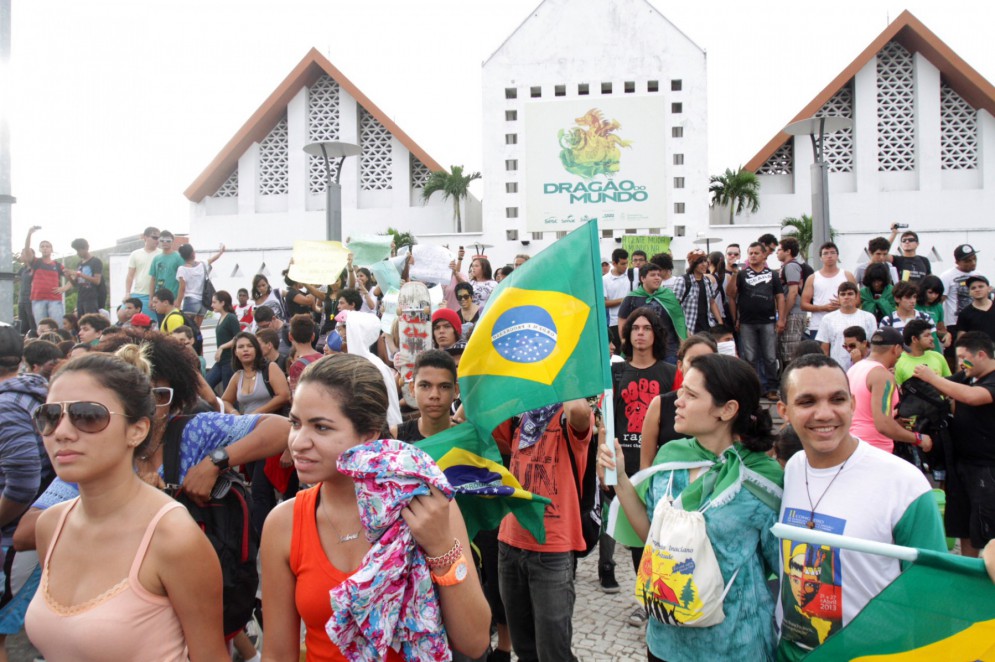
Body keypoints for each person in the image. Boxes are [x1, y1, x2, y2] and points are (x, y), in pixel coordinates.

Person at [260, 353, 490, 661]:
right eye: (295, 423)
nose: (299, 442)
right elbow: (277, 654)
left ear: (368, 434)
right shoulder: (284, 522)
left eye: (321, 427)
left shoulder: (426, 507)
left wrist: (440, 547)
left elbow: (474, 642)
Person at [24, 352, 229, 660]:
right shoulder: (51, 525)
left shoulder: (173, 537)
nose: (62, 432)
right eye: (50, 416)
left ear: (137, 430)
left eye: (88, 416)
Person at [600, 353, 783, 661]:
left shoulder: (762, 480)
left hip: (735, 644)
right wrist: (619, 477)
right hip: (665, 639)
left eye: (691, 395)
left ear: (727, 409)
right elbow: (651, 537)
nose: (678, 401)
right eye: (681, 390)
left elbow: (781, 568)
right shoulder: (671, 456)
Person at [775, 354, 946, 660]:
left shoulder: (904, 483)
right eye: (807, 402)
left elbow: (933, 596)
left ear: (853, 404)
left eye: (837, 399)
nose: (824, 413)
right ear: (783, 411)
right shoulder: (793, 469)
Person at [495, 398, 593, 662]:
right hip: (510, 542)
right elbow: (477, 414)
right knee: (523, 647)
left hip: (553, 550)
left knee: (554, 650)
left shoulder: (568, 414)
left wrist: (559, 372)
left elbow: (580, 413)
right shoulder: (518, 411)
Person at [603, 308, 677, 613]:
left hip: (661, 465)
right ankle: (645, 596)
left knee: (661, 535)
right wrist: (604, 464)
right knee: (637, 537)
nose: (641, 333)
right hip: (626, 463)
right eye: (635, 328)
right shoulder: (616, 373)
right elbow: (606, 421)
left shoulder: (670, 373)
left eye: (647, 328)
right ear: (627, 334)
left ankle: (665, 593)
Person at [912, 332, 995, 558]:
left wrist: (932, 377)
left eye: (964, 359)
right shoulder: (968, 375)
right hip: (960, 463)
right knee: (963, 525)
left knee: (986, 527)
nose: (960, 364)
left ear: (981, 355)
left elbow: (973, 397)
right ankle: (967, 573)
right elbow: (945, 387)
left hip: (987, 467)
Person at [847, 328, 931, 456]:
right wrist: (918, 439)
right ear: (896, 348)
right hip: (874, 449)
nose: (899, 356)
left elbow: (863, 412)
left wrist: (894, 416)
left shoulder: (854, 368)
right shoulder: (882, 376)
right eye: (901, 352)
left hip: (852, 444)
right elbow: (883, 425)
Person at [728, 242, 785, 400]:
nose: (753, 256)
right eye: (750, 253)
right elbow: (731, 294)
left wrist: (782, 318)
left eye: (756, 253)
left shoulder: (772, 274)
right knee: (750, 358)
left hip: (768, 321)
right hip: (747, 322)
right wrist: (734, 274)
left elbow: (780, 296)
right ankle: (754, 388)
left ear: (763, 255)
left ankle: (772, 388)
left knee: (770, 357)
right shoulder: (742, 274)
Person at [342, 311, 403, 427]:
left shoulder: (374, 365)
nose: (343, 334)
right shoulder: (355, 361)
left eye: (347, 328)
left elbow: (389, 407)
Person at [618, 262, 685, 364]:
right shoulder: (631, 298)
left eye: (659, 275)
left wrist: (683, 345)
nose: (657, 278)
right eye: (653, 275)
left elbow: (678, 321)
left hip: (669, 350)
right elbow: (623, 322)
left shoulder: (668, 295)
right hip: (642, 351)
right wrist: (625, 343)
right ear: (643, 278)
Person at [222, 332, 290, 416]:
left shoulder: (271, 368)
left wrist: (256, 413)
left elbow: (284, 396)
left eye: (250, 346)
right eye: (240, 347)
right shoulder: (237, 376)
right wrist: (234, 412)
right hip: (247, 425)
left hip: (272, 422)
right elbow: (225, 401)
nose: (245, 349)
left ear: (256, 350)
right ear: (235, 352)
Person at [815, 282, 877, 370]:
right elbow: (825, 350)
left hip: (863, 368)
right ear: (838, 298)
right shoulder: (828, 319)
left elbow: (873, 347)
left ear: (856, 296)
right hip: (837, 369)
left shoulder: (869, 317)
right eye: (843, 294)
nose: (846, 297)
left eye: (850, 294)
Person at [801, 242, 856, 340]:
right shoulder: (813, 278)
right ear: (820, 258)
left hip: (844, 324)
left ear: (837, 256)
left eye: (832, 253)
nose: (829, 256)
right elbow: (804, 304)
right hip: (819, 325)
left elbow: (858, 300)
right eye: (825, 253)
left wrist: (843, 303)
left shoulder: (847, 275)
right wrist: (823, 308)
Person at [20, 226, 71, 325]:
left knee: (57, 326)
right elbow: (27, 250)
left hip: (54, 300)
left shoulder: (57, 265)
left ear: (51, 249)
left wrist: (65, 288)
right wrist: (29, 233)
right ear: (39, 249)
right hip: (38, 299)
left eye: (47, 246)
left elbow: (73, 276)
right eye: (42, 246)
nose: (45, 248)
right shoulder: (36, 262)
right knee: (41, 327)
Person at [939, 244, 982, 346]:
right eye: (967, 261)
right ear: (957, 262)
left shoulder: (980, 275)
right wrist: (941, 324)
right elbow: (940, 301)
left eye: (974, 259)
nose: (972, 263)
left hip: (976, 320)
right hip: (954, 323)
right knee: (955, 354)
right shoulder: (947, 276)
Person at [673, 249, 723, 335]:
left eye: (705, 261)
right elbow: (675, 306)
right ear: (693, 264)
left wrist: (720, 322)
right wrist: (682, 327)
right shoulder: (682, 280)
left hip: (707, 325)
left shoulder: (707, 281)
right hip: (689, 326)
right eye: (700, 262)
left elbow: (712, 302)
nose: (704, 264)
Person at [175, 243, 225, 327]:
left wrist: (178, 304)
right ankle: (198, 340)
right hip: (203, 301)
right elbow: (212, 259)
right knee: (197, 328)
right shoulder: (202, 264)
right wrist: (220, 252)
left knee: (188, 327)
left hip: (190, 300)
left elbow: (182, 288)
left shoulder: (182, 269)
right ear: (193, 253)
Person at [777, 237, 808, 366]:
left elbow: (793, 292)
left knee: (790, 350)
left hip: (793, 313)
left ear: (788, 251)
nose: (777, 253)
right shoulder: (787, 267)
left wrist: (783, 316)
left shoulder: (791, 267)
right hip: (792, 312)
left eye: (779, 250)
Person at [894, 319, 949, 386]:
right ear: (914, 339)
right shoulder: (898, 362)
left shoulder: (938, 356)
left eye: (931, 335)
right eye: (927, 335)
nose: (932, 338)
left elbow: (950, 385)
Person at [208, 290, 242, 392]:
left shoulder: (230, 318)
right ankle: (219, 405)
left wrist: (222, 347)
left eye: (214, 302)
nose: (212, 305)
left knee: (229, 392)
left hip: (229, 360)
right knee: (207, 384)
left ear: (222, 303)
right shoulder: (221, 318)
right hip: (221, 361)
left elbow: (238, 337)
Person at [124, 227, 161, 318]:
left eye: (159, 238)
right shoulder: (135, 254)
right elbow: (130, 275)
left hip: (156, 294)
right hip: (138, 293)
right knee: (123, 315)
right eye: (154, 237)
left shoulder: (161, 254)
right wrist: (127, 293)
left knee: (153, 324)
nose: (157, 240)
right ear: (145, 237)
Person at [287, 314, 323, 396]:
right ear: (313, 336)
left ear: (290, 337)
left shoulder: (297, 366)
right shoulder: (325, 358)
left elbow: (297, 398)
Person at [67, 238, 103, 316]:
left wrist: (80, 274)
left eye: (79, 250)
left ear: (86, 248)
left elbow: (97, 281)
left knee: (92, 321)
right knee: (81, 322)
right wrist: (69, 276)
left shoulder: (95, 261)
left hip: (91, 298)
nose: (78, 253)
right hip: (81, 298)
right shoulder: (79, 264)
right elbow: (75, 284)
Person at [604, 248, 631, 352]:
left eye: (627, 263)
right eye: (623, 264)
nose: (625, 266)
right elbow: (604, 303)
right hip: (615, 323)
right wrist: (624, 300)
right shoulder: (605, 280)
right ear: (614, 263)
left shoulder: (632, 274)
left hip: (632, 320)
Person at [955, 275, 995, 342]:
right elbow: (961, 338)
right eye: (973, 288)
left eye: (981, 286)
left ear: (989, 288)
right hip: (977, 350)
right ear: (969, 292)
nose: (977, 290)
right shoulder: (965, 313)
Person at [915, 275, 951, 349]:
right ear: (923, 290)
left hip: (934, 348)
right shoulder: (914, 304)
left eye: (936, 294)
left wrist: (947, 335)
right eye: (930, 292)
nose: (933, 296)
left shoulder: (938, 307)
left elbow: (940, 329)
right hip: (916, 347)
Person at [147, 230, 184, 301]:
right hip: (158, 298)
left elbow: (182, 281)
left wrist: (178, 300)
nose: (165, 242)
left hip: (173, 298)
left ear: (172, 241)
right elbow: (153, 279)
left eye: (168, 241)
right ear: (159, 241)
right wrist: (151, 299)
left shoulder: (179, 257)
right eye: (162, 240)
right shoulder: (156, 258)